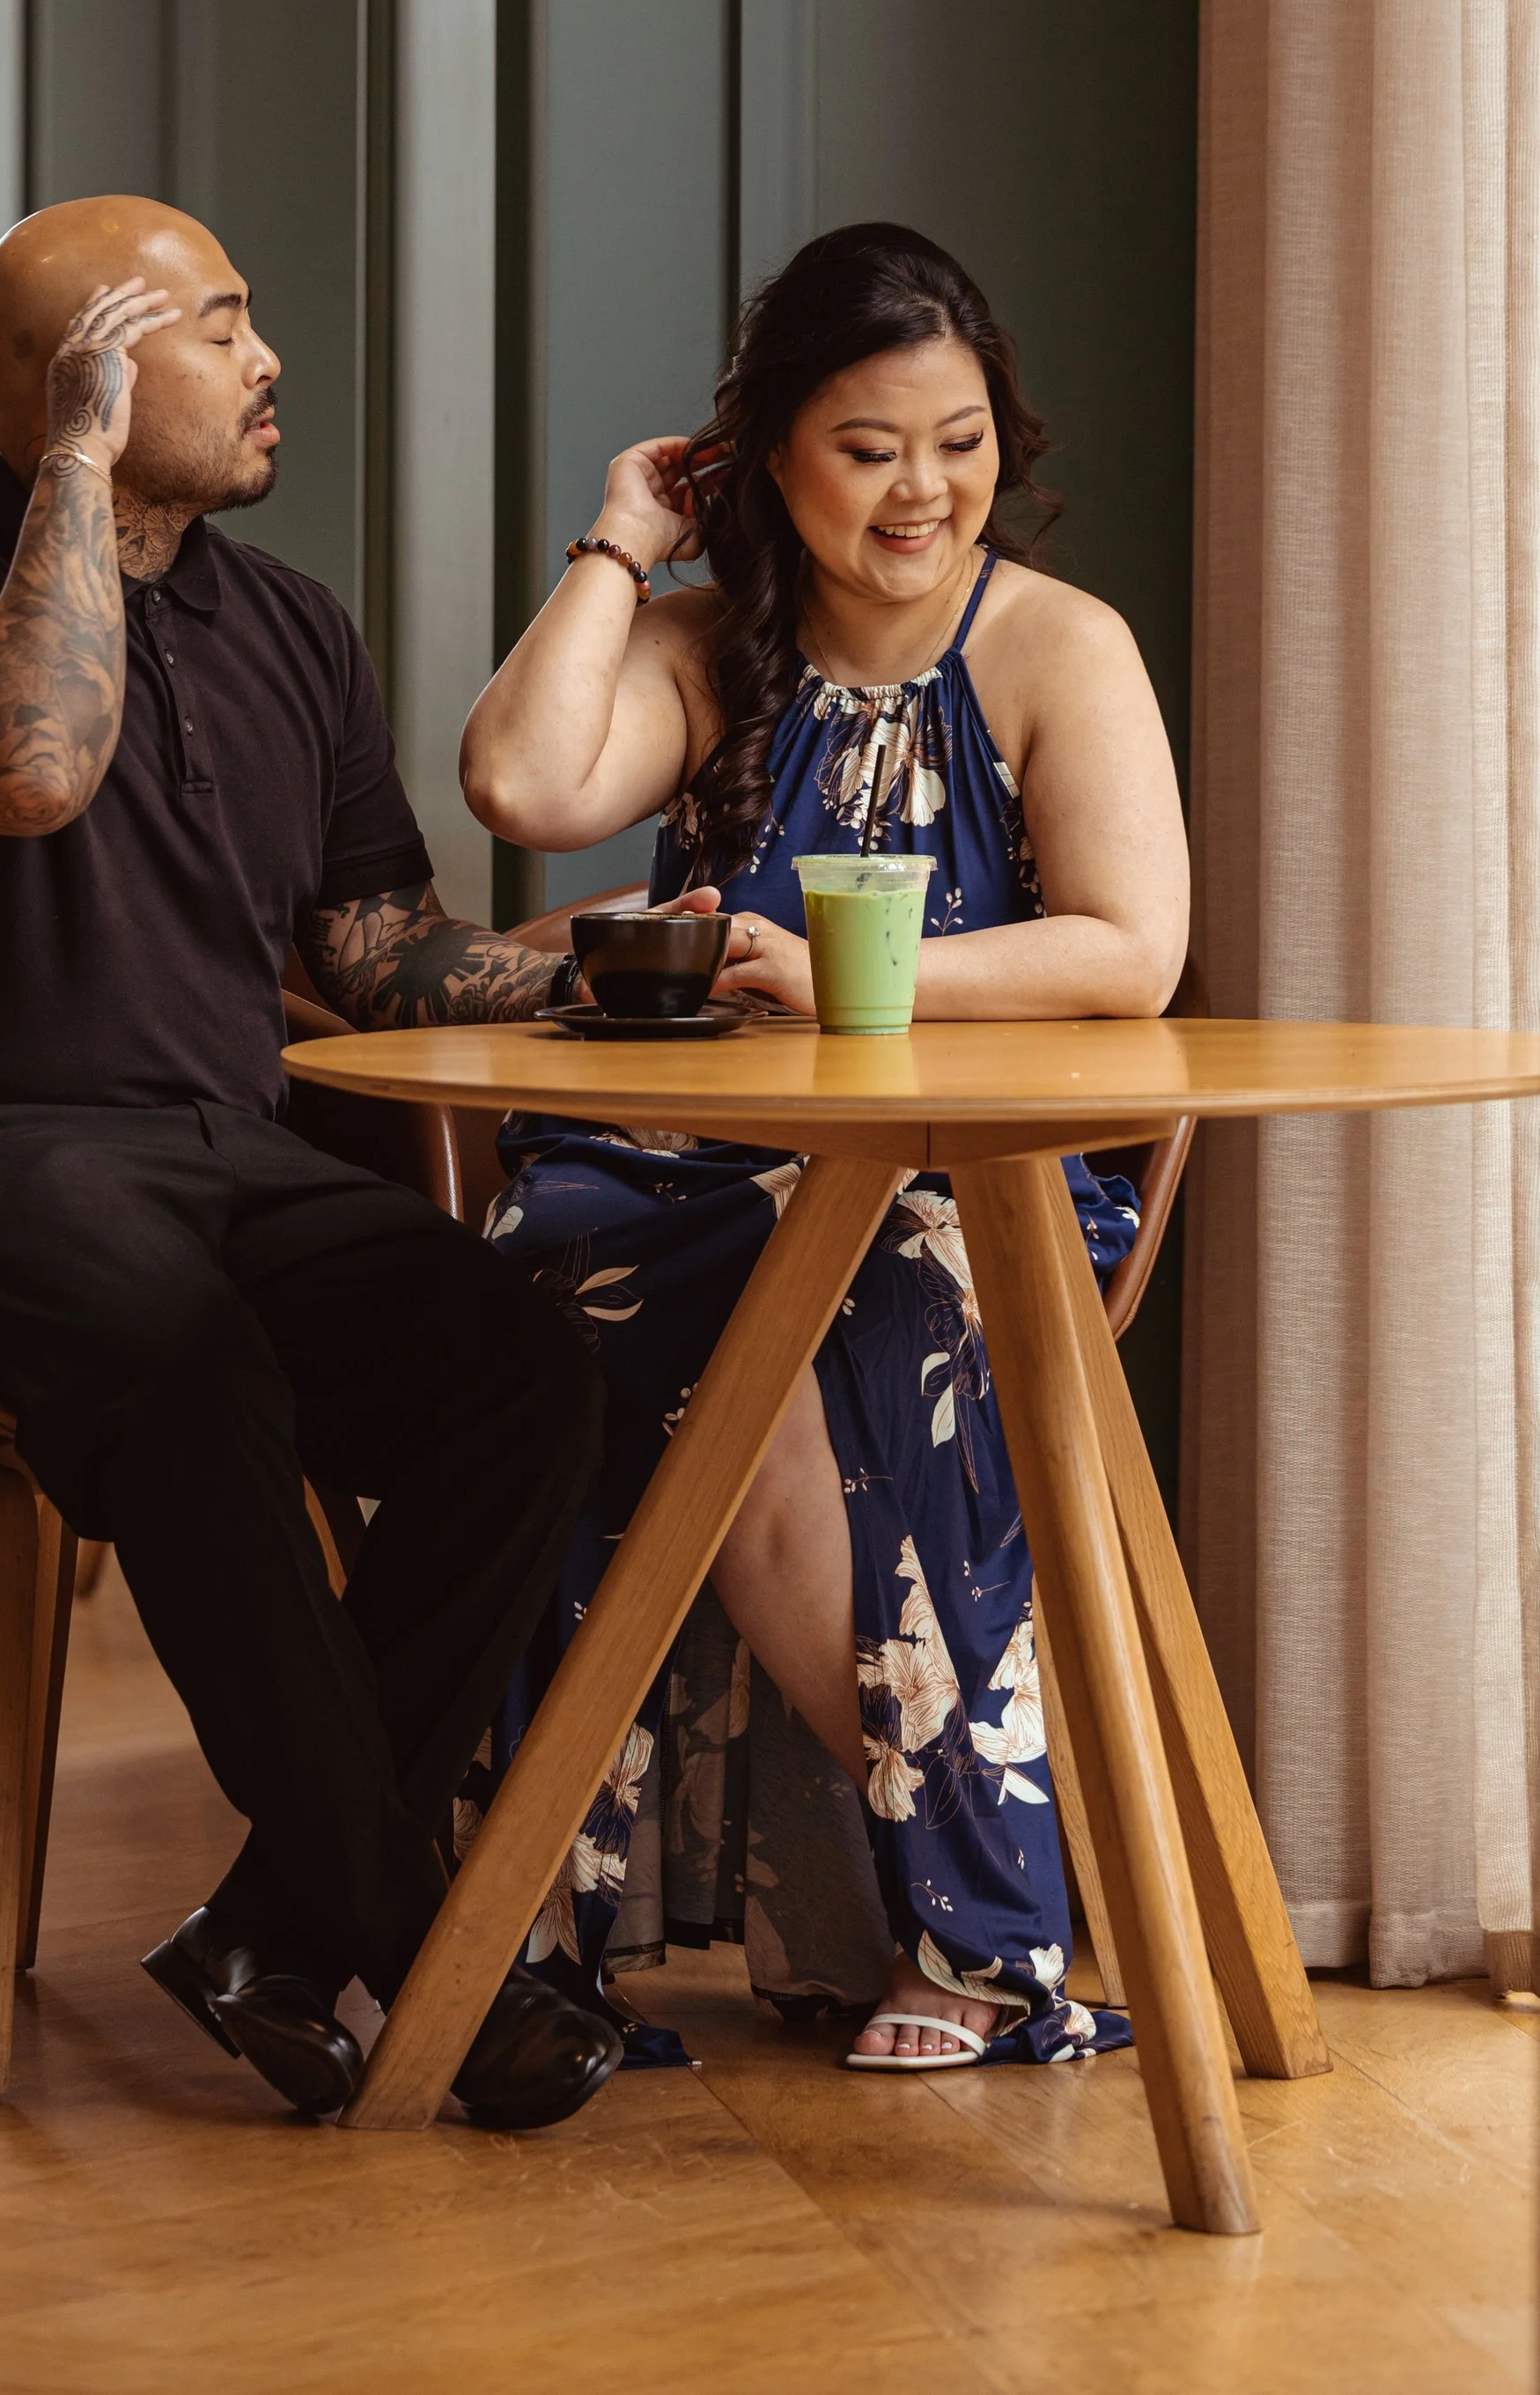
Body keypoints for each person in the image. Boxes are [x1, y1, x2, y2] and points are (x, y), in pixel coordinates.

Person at [0, 195, 621, 2130]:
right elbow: (26, 767)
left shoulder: (292, 628)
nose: (267, 365)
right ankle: (424, 1941)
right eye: (219, 329)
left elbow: (374, 956)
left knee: (524, 1371)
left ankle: (274, 1920)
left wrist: (609, 974)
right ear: (72, 385)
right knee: (188, 1367)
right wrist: (72, 467)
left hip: (225, 1158)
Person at [457, 222, 1189, 2070]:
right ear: (765, 456)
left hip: (973, 1177)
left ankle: (975, 1919)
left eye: (954, 442)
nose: (920, 490)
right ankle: (531, 1927)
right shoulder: (708, 650)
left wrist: (864, 979)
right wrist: (624, 538)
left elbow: (1128, 949)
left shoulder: (1051, 648)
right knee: (539, 1307)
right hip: (681, 1165)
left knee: (858, 1318)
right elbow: (522, 788)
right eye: (867, 447)